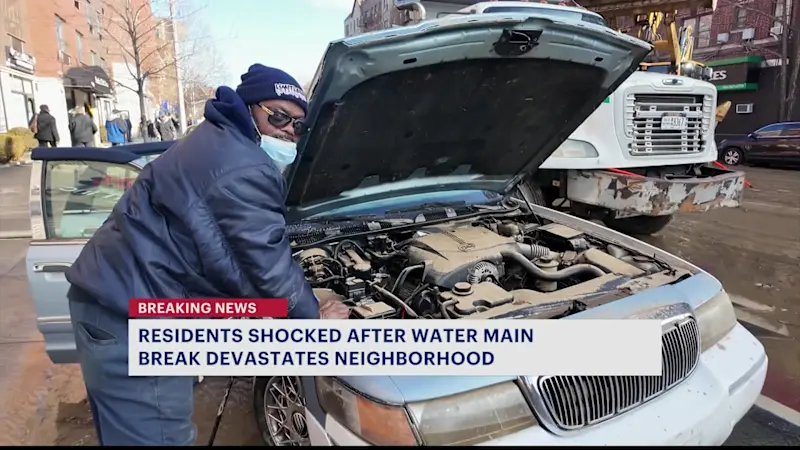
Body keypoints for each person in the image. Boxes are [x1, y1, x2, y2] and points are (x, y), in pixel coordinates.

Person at [64, 64, 349, 446]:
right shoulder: (242, 164)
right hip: (133, 321)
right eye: (278, 116)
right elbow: (269, 270)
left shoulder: (216, 139)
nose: (287, 130)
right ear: (250, 108)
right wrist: (315, 318)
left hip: (119, 302)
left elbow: (236, 263)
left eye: (297, 124)